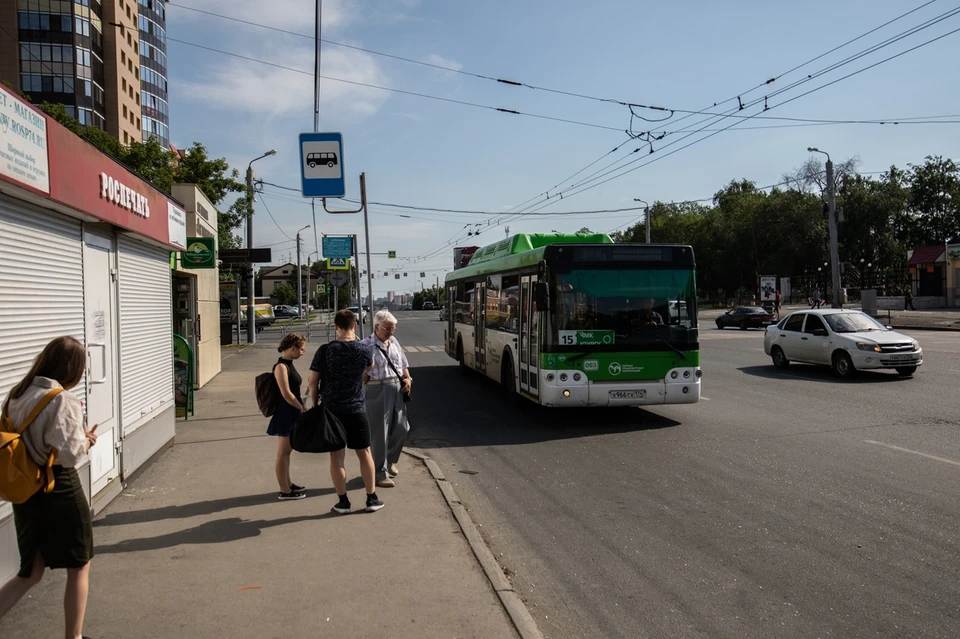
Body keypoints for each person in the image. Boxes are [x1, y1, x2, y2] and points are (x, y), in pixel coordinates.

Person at [0, 336, 99, 639]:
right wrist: (87, 440)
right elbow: (69, 454)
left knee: (31, 570)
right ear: (72, 369)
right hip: (58, 487)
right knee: (79, 564)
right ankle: (74, 637)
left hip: (25, 490)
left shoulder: (17, 394)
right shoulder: (61, 399)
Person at [307, 310, 384, 514]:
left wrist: (315, 404)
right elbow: (370, 368)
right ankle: (372, 498)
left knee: (337, 457)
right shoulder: (364, 350)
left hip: (332, 411)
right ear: (355, 326)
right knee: (365, 453)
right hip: (357, 409)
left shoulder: (325, 351)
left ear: (336, 327)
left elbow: (313, 382)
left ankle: (343, 502)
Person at [361, 311, 412, 488]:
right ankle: (379, 473)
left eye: (393, 328)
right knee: (379, 433)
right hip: (377, 389)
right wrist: (364, 374)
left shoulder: (394, 342)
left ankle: (389, 460)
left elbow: (403, 364)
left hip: (397, 388)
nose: (391, 332)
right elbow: (361, 375)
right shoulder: (366, 345)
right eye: (388, 329)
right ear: (376, 327)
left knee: (402, 428)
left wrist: (408, 379)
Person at [267, 333, 307, 500]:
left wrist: (301, 406)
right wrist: (301, 408)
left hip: (291, 411)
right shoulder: (281, 367)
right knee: (283, 453)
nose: (303, 352)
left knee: (287, 452)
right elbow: (286, 394)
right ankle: (285, 490)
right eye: (302, 349)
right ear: (292, 348)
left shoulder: (289, 364)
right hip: (286, 412)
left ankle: (288, 484)